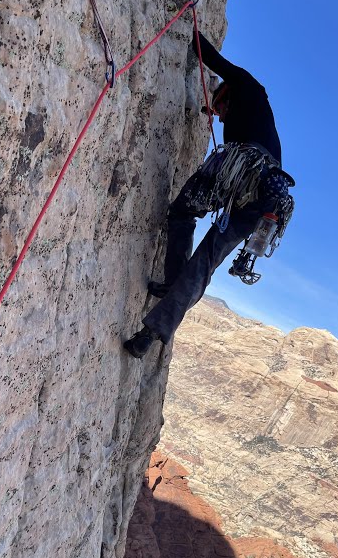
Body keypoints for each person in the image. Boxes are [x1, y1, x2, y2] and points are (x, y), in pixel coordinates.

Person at [123, 30, 294, 358]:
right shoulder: (260, 118)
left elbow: (210, 56)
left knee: (182, 213)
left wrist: (191, 23)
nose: (221, 116)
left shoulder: (245, 85)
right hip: (266, 201)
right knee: (207, 259)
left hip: (241, 171)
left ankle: (171, 291)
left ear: (226, 96)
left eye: (220, 110)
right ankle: (154, 329)